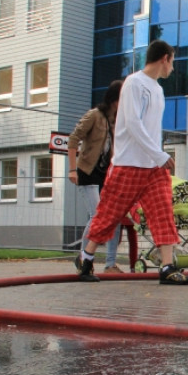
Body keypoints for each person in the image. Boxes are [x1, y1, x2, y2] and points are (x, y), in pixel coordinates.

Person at [74, 39, 188, 285]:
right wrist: (160, 155)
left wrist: (157, 157)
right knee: (109, 213)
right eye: (173, 61)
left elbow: (150, 129)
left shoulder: (158, 90)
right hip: (128, 164)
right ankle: (86, 259)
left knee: (163, 213)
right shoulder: (133, 84)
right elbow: (132, 124)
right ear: (165, 58)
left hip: (153, 168)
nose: (173, 67)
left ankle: (168, 267)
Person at [68, 79, 123, 273]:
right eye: (121, 99)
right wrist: (72, 169)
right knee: (97, 215)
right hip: (87, 172)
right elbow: (73, 139)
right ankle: (84, 259)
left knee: (113, 216)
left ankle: (110, 263)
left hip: (105, 174)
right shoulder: (95, 115)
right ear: (114, 99)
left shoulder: (114, 120)